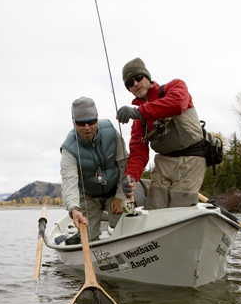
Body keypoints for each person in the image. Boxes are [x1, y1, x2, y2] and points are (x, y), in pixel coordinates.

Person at [117, 58, 206, 210]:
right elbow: (138, 154)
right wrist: (130, 177)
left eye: (139, 78)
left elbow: (178, 103)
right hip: (163, 163)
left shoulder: (175, 87)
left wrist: (139, 111)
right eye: (130, 83)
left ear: (148, 77)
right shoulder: (139, 121)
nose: (136, 84)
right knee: (154, 208)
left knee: (179, 209)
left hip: (191, 160)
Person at [60, 97, 129, 240]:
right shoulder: (68, 149)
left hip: (114, 191)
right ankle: (77, 238)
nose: (87, 128)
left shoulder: (111, 132)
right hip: (88, 196)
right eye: (81, 123)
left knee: (126, 228)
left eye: (91, 122)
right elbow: (69, 183)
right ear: (73, 123)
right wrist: (74, 209)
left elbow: (124, 165)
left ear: (97, 119)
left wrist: (121, 195)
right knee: (88, 236)